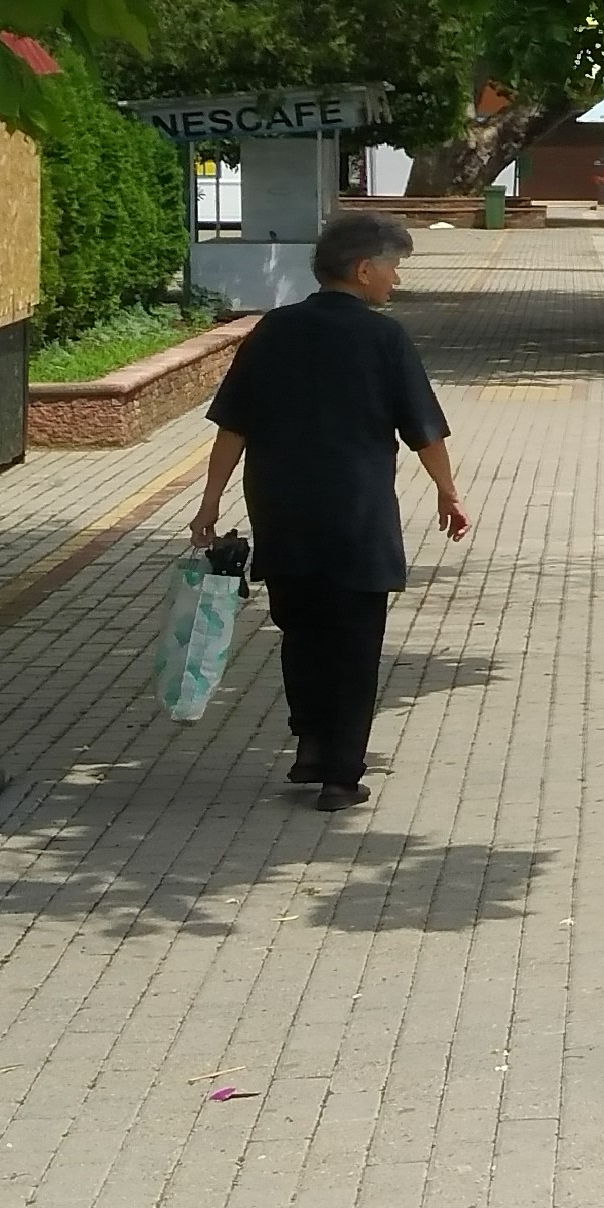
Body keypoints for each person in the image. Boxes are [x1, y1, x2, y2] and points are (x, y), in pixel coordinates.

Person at [192, 209, 468, 811]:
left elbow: (232, 426)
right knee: (354, 640)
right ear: (364, 269)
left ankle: (311, 746)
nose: (395, 280)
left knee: (300, 631)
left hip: (282, 510)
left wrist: (210, 501)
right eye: (392, 268)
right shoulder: (383, 338)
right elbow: (423, 428)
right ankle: (341, 774)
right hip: (357, 516)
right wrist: (448, 491)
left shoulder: (274, 331)